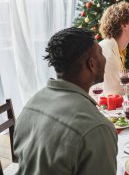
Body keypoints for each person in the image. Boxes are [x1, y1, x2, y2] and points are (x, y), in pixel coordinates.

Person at [14, 27, 117, 174]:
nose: (105, 58)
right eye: (101, 53)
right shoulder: (97, 128)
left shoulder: (31, 105)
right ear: (92, 64)